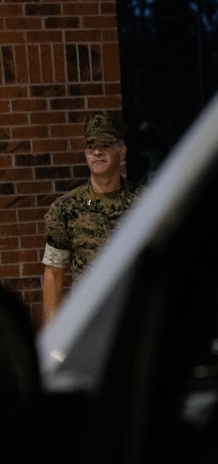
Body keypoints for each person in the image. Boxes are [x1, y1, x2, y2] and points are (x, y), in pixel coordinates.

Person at [42, 112, 143, 324]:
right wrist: (54, 335)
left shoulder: (146, 203)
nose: (97, 152)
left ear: (122, 151)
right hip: (88, 323)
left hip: (135, 320)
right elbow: (53, 273)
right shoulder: (66, 209)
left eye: (105, 144)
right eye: (91, 146)